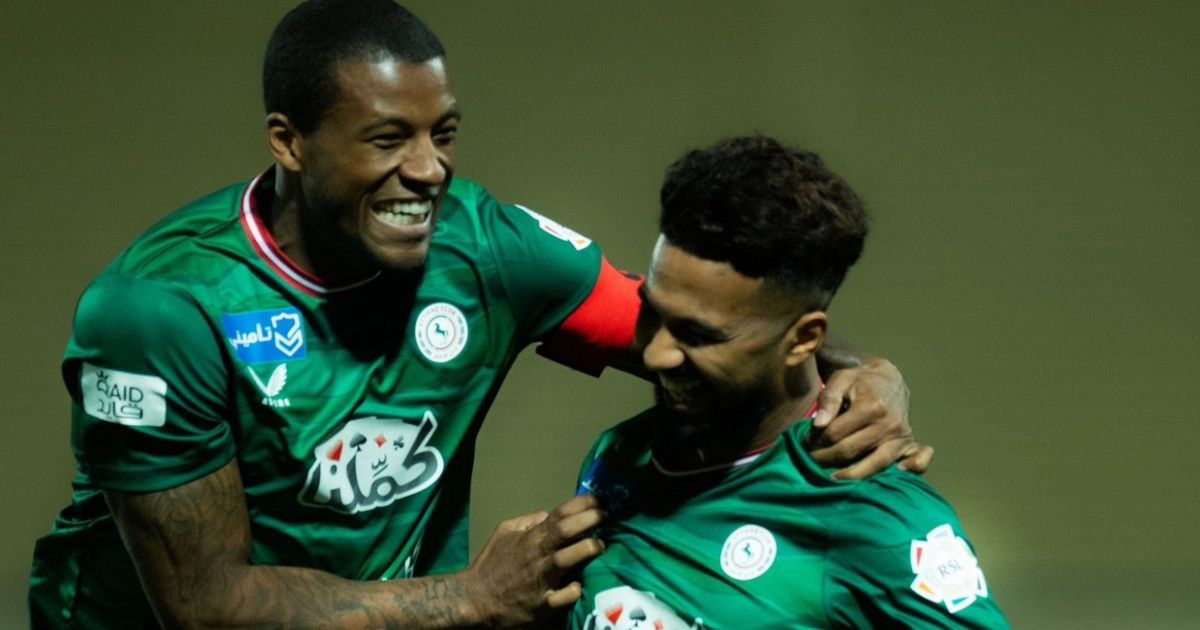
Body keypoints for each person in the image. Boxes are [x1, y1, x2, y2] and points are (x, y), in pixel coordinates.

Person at [28, 2, 925, 628]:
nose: (429, 170)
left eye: (443, 133)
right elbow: (204, 607)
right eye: (388, 137)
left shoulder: (487, 250)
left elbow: (701, 334)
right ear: (289, 141)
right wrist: (471, 597)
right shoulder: (159, 312)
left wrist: (858, 374)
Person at [570, 137, 1008, 629]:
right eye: (652, 313)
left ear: (804, 340)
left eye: (699, 335)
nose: (655, 354)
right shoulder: (619, 454)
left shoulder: (869, 511)